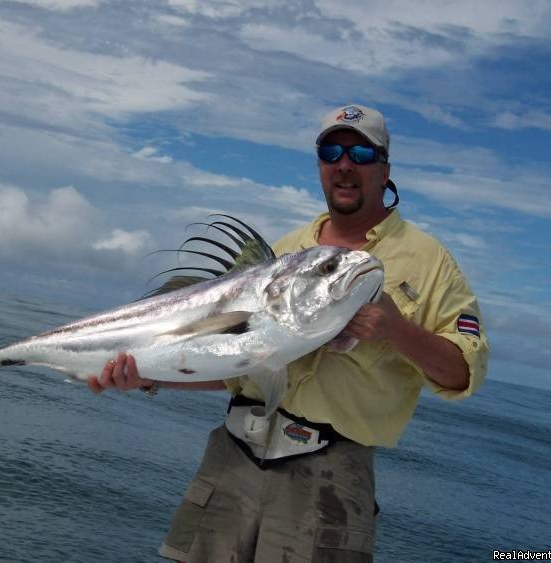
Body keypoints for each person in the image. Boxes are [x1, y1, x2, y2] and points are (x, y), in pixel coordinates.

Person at [88, 103, 489, 562]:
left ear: (385, 169)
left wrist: (396, 329)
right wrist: (149, 377)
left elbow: (464, 372)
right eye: (331, 151)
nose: (344, 165)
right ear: (319, 165)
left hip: (331, 477)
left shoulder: (429, 260)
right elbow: (237, 365)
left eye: (360, 154)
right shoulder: (283, 251)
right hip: (232, 458)